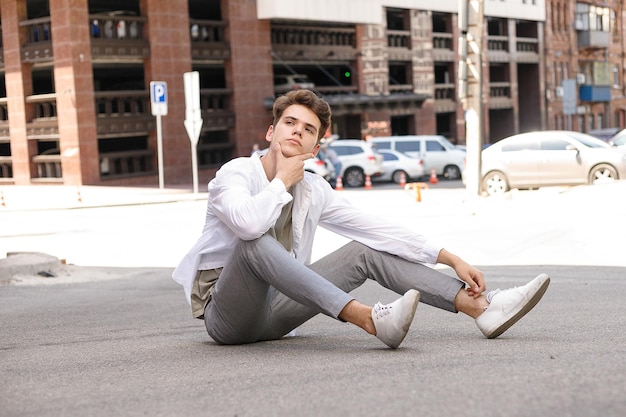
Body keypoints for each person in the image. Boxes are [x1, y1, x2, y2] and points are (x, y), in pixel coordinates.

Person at [172, 89, 550, 349]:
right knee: (254, 242)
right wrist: (282, 182)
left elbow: (375, 228)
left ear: (314, 148)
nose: (297, 132)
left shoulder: (314, 189)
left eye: (308, 130)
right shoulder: (235, 174)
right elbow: (247, 225)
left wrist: (449, 257)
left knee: (363, 251)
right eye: (289, 123)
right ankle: (368, 319)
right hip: (227, 317)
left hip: (276, 311)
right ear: (272, 131)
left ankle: (480, 309)